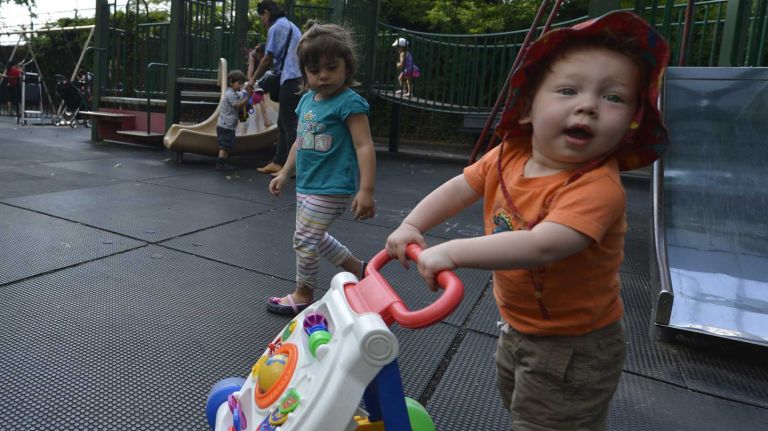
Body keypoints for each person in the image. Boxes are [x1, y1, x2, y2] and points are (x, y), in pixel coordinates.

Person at [385, 11, 669, 430]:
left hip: (576, 345)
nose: (588, 106)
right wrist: (413, 225)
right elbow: (459, 188)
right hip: (518, 327)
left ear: (630, 123)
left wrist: (451, 252)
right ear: (529, 106)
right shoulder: (508, 155)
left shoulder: (597, 187)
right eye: (568, 90)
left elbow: (543, 244)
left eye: (613, 97)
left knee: (548, 422)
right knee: (523, 407)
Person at [267, 23, 376, 316]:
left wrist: (366, 190)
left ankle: (304, 292)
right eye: (314, 71)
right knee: (316, 237)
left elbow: (364, 145)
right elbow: (300, 143)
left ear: (347, 67)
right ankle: (358, 268)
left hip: (332, 187)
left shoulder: (349, 102)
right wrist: (285, 172)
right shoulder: (306, 101)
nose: (323, 75)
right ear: (305, 72)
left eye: (331, 67)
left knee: (304, 239)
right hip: (308, 185)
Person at [249, 0, 303, 176]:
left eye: (261, 17)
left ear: (266, 12)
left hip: (291, 77)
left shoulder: (276, 27)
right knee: (283, 122)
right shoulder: (289, 25)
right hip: (295, 76)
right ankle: (279, 162)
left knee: (288, 124)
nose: (263, 21)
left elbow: (267, 58)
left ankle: (292, 166)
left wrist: (252, 80)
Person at [216, 70, 252, 171]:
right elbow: (237, 105)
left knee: (228, 145)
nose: (240, 86)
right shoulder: (229, 93)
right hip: (224, 125)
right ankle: (220, 164)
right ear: (231, 82)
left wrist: (248, 91)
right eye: (239, 83)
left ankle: (224, 163)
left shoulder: (236, 92)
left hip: (230, 125)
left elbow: (242, 96)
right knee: (224, 145)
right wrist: (248, 97)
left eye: (242, 83)